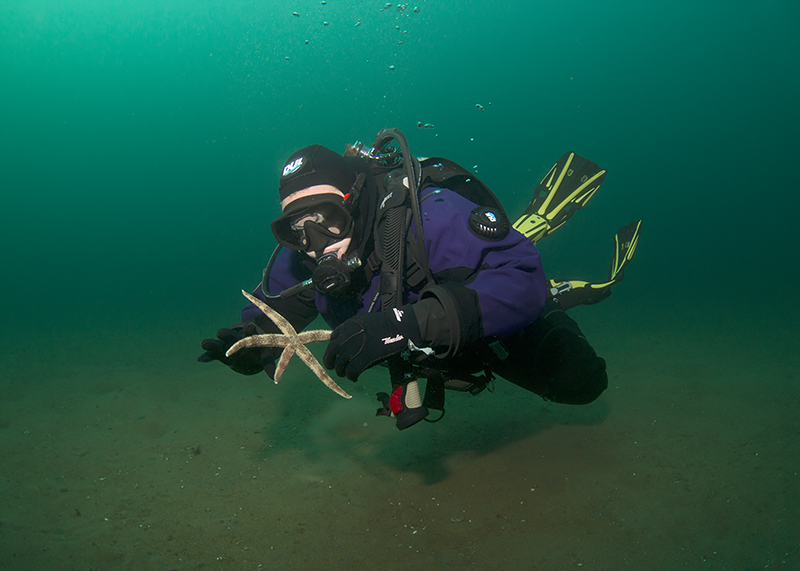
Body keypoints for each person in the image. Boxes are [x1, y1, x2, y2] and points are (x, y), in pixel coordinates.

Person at [199, 129, 641, 430]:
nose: (316, 244)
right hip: (424, 346)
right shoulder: (300, 257)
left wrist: (410, 325)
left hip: (481, 316)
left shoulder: (429, 217)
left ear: (354, 202)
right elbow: (275, 311)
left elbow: (522, 280)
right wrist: (251, 342)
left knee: (581, 382)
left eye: (327, 218)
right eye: (297, 228)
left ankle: (547, 286)